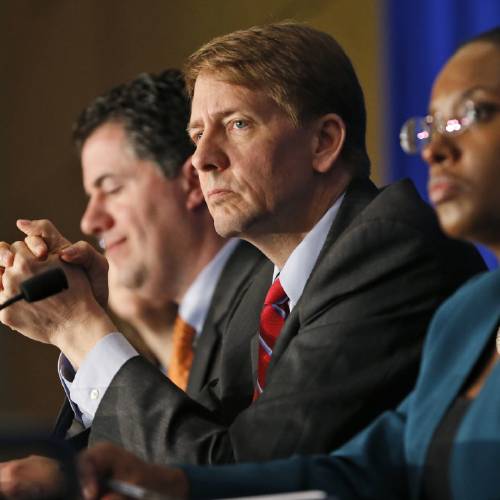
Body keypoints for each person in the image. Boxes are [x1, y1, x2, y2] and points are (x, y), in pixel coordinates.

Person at [0, 22, 485, 471]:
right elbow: (195, 432)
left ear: (324, 142)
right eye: (196, 135)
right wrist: (64, 476)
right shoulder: (264, 280)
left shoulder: (390, 248)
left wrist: (79, 328)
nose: (203, 159)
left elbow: (242, 471)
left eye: (237, 125)